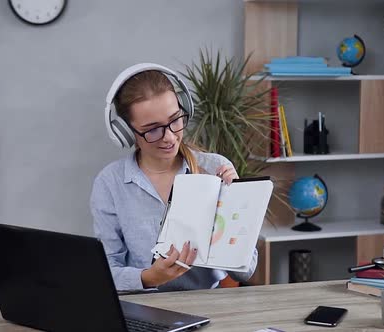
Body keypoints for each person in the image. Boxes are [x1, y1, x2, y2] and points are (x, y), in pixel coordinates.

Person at [90, 63, 258, 292]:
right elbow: (106, 271)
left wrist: (236, 205)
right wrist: (149, 278)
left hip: (209, 306)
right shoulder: (110, 183)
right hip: (143, 308)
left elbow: (246, 271)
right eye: (152, 129)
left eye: (175, 120)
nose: (169, 137)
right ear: (127, 133)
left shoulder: (215, 167)